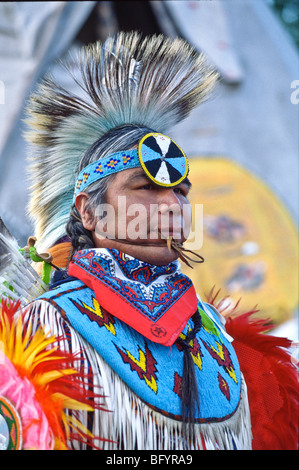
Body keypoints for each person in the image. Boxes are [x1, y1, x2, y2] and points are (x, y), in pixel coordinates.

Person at [0, 32, 297, 450]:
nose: (172, 204)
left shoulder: (226, 342)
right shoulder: (41, 332)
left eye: (181, 191)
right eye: (145, 187)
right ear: (88, 211)